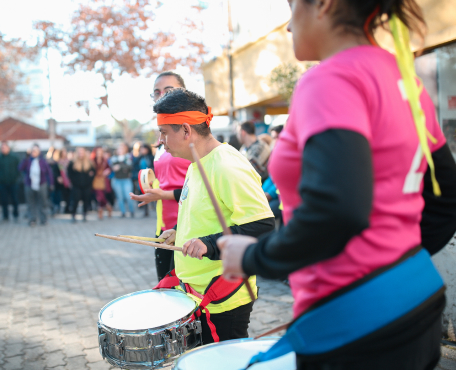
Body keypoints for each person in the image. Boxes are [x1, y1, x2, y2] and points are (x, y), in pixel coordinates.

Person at [218, 0, 456, 369]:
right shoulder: (404, 78)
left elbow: (338, 208)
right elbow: (447, 197)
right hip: (416, 297)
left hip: (353, 324)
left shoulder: (330, 78)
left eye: (291, 6)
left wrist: (252, 256)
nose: (287, 26)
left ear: (324, 5)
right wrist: (394, 268)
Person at [154, 89, 275, 344]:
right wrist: (180, 231)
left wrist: (208, 244)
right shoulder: (196, 162)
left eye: (164, 133)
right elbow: (204, 212)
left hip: (223, 298)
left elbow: (262, 227)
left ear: (186, 131)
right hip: (197, 292)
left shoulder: (226, 165)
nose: (160, 141)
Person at [129, 71, 192, 281]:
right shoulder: (161, 135)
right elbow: (167, 178)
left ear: (183, 93)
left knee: (186, 298)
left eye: (168, 90)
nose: (161, 96)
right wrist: (150, 185)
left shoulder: (192, 132)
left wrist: (161, 194)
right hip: (163, 228)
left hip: (190, 228)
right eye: (156, 92)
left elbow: (204, 186)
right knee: (165, 292)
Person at [19, 144, 54, 226]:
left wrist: (51, 183)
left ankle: (43, 219)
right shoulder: (28, 160)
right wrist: (26, 157)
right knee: (31, 203)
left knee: (43, 202)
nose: (34, 152)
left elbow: (49, 173)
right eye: (32, 150)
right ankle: (32, 219)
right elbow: (20, 168)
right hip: (29, 184)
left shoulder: (43, 161)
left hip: (42, 184)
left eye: (35, 150)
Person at [0, 141, 20, 222]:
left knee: (14, 200)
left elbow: (19, 168)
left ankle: (16, 215)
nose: (3, 149)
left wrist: (15, 177)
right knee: (4, 201)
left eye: (4, 147)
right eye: (2, 148)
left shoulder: (14, 157)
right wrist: (0, 178)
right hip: (2, 183)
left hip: (13, 183)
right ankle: (5, 216)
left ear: (8, 148)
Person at [68, 147, 95, 222]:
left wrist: (89, 180)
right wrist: (74, 182)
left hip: (87, 185)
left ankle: (85, 214)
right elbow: (70, 174)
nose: (81, 154)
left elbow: (93, 173)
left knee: (86, 200)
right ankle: (73, 215)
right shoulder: (72, 163)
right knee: (75, 200)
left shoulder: (89, 162)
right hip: (76, 186)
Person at [111, 143, 135, 218]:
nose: (120, 150)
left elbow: (130, 166)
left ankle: (132, 211)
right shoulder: (114, 158)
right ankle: (123, 212)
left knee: (128, 196)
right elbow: (112, 167)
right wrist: (122, 166)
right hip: (117, 180)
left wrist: (119, 166)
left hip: (126, 179)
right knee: (120, 197)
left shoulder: (127, 157)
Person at [91, 147, 113, 220]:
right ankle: (107, 206)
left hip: (103, 180)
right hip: (95, 180)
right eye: (98, 152)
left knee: (101, 195)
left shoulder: (105, 160)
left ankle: (100, 210)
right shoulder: (93, 160)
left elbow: (109, 168)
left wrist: (107, 171)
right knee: (99, 195)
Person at [137, 143, 154, 217]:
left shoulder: (151, 157)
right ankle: (145, 211)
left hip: (150, 178)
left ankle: (154, 207)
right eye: (141, 149)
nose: (142, 151)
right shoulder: (139, 158)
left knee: (152, 193)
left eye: (144, 149)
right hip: (141, 178)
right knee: (143, 194)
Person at [55, 148, 72, 214]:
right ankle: (58, 208)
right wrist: (58, 177)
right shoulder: (58, 162)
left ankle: (67, 208)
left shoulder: (68, 162)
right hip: (61, 183)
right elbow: (55, 172)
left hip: (68, 181)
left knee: (68, 196)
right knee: (60, 196)